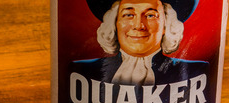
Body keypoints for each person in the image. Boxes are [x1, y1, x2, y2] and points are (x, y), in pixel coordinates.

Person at [74, 0, 207, 86]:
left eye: (150, 15)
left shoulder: (198, 72)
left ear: (166, 25)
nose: (138, 25)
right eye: (128, 15)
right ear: (115, 24)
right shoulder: (81, 71)